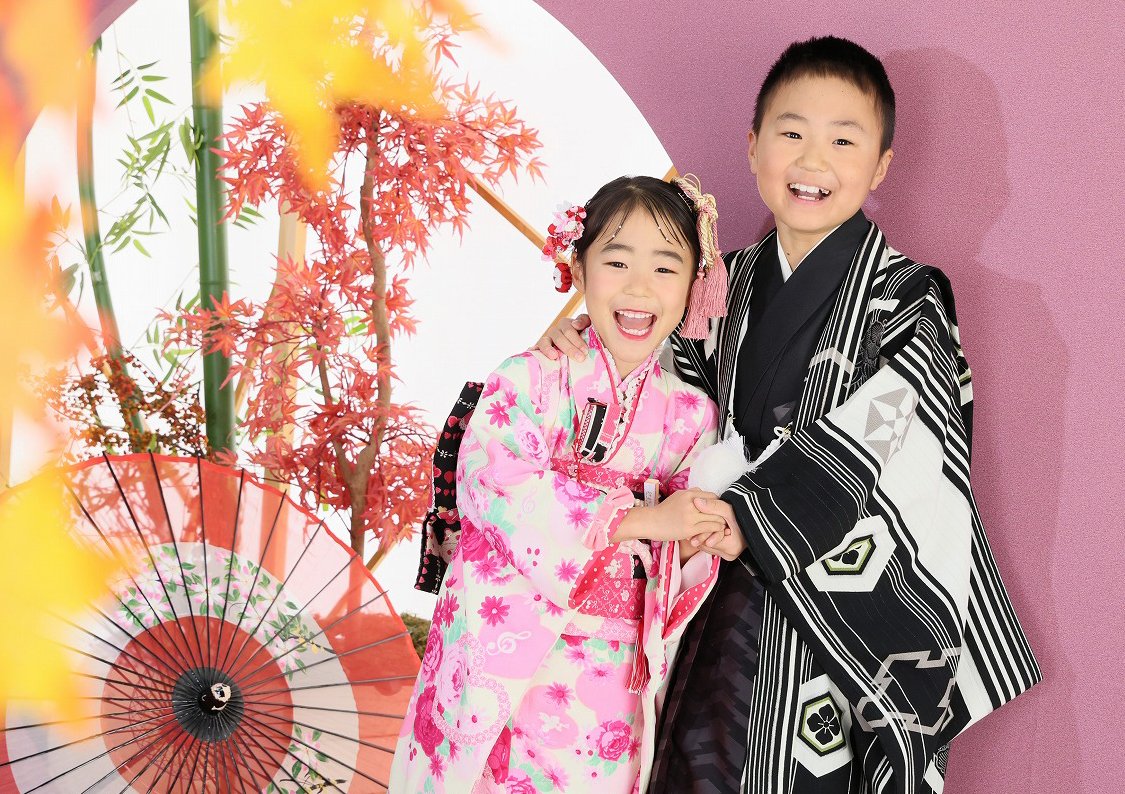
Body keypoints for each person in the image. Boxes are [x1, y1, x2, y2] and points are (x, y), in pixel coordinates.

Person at [538, 36, 1040, 794]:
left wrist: (755, 515)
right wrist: (581, 348)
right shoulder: (717, 283)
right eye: (792, 132)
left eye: (843, 140)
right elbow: (650, 388)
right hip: (704, 589)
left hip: (830, 613)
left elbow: (902, 432)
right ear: (752, 146)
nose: (813, 160)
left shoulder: (907, 299)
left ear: (880, 166)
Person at [389, 175, 734, 794]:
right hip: (502, 654)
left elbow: (682, 552)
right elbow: (495, 484)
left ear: (693, 286)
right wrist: (644, 521)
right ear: (579, 268)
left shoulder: (691, 415)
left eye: (665, 267)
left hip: (609, 678)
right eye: (617, 261)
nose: (639, 287)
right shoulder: (529, 377)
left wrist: (703, 536)